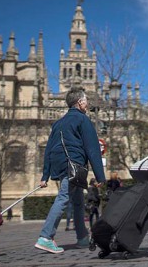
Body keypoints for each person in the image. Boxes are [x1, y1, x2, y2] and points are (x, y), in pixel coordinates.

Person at [35, 87, 106, 254]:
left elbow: (48, 149)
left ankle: (82, 237)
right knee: (64, 197)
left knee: (78, 200)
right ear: (80, 103)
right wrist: (100, 176)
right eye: (86, 100)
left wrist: (45, 175)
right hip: (74, 164)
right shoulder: (83, 120)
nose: (87, 104)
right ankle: (45, 237)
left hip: (60, 164)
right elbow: (92, 148)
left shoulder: (58, 123)